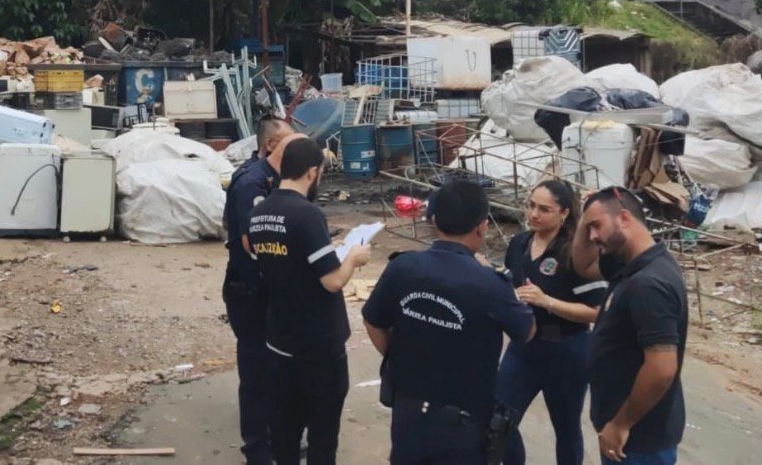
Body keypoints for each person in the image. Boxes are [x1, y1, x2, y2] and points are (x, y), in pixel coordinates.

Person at [363, 181, 535, 465]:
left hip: (408, 417)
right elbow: (526, 331)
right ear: (482, 226)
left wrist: (401, 359)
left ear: (433, 220)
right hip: (463, 426)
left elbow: (372, 320)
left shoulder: (403, 267)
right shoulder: (490, 283)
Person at [245, 136, 370, 465]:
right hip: (318, 346)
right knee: (322, 437)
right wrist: (353, 258)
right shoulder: (307, 214)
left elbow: (274, 259)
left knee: (284, 433)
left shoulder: (259, 212)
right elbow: (333, 281)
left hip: (279, 340)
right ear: (312, 172)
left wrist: (328, 252)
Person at [572, 187, 688, 465]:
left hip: (637, 441)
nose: (592, 236)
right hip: (628, 436)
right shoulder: (632, 265)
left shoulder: (648, 283)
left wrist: (621, 424)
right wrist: (586, 215)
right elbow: (582, 264)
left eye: (596, 226)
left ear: (624, 218)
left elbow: (661, 369)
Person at [495, 180, 607, 465]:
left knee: (566, 428)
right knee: (499, 420)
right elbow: (510, 283)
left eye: (544, 209)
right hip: (524, 347)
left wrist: (548, 302)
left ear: (564, 213)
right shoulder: (520, 244)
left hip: (566, 350)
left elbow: (596, 312)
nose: (534, 214)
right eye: (531, 206)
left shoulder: (575, 254)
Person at [223, 118, 295, 465]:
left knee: (279, 368)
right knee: (256, 371)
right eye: (290, 142)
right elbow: (253, 243)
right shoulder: (252, 182)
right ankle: (256, 448)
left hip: (272, 287)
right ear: (270, 146)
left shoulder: (278, 178)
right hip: (250, 289)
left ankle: (279, 437)